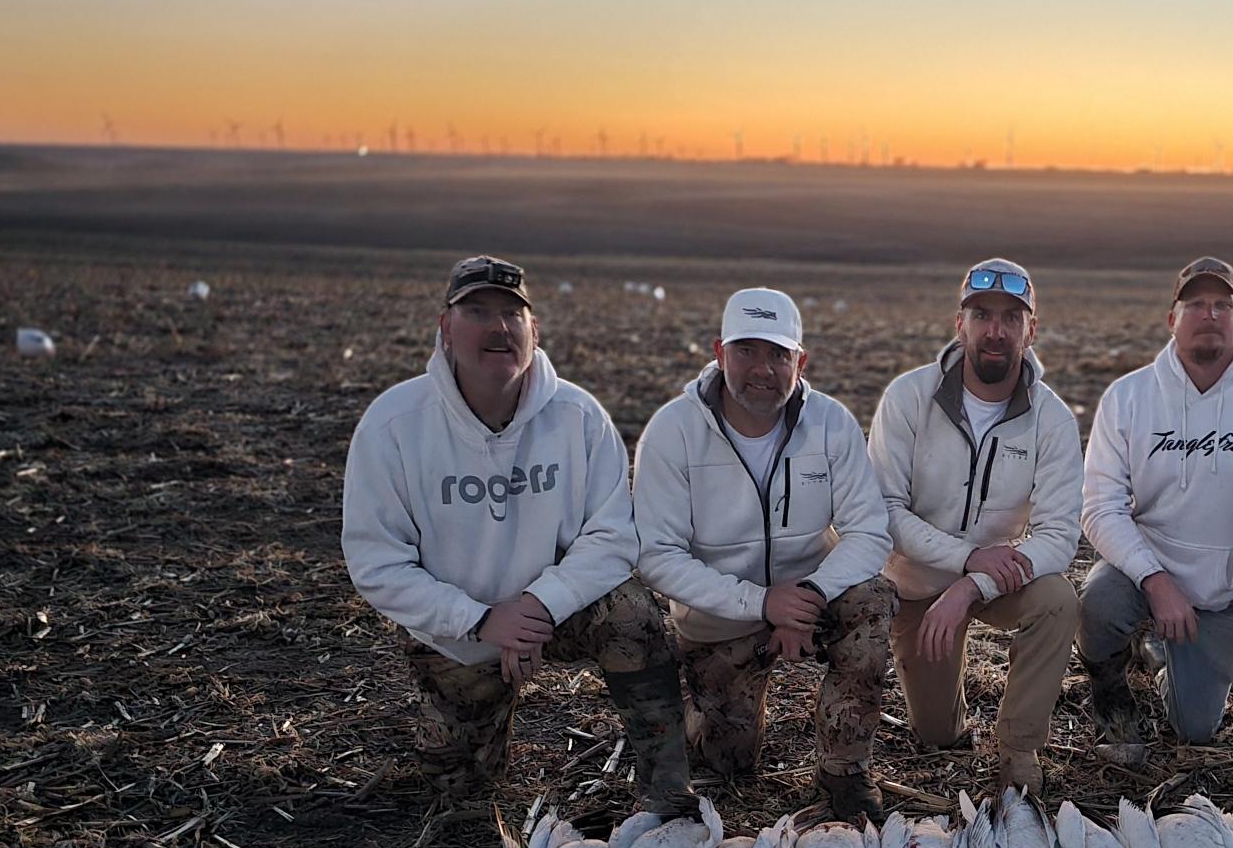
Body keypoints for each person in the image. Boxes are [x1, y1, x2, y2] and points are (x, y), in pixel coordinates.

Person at [342, 255, 693, 813]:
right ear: (445, 329)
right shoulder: (394, 425)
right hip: (460, 626)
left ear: (535, 331)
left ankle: (666, 786)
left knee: (632, 614)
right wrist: (482, 620)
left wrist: (538, 606)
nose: (498, 327)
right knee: (460, 796)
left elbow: (612, 538)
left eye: (512, 313)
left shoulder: (579, 416)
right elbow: (376, 562)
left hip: (555, 610)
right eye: (477, 311)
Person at [633, 287, 895, 819]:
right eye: (747, 350)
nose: (763, 368)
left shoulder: (830, 423)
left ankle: (844, 773)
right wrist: (759, 603)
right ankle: (698, 707)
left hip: (811, 598)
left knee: (873, 597)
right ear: (718, 352)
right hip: (721, 614)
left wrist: (809, 596)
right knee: (728, 763)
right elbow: (657, 555)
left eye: (778, 354)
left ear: (800, 361)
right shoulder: (672, 431)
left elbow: (870, 532)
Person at [1077, 257, 1233, 763]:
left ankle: (1173, 658)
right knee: (1098, 605)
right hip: (1148, 572)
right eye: (1194, 304)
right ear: (1172, 318)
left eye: (1221, 304)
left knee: (1195, 731)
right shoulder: (1129, 398)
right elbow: (1100, 508)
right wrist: (1155, 580)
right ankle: (1113, 696)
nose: (1208, 314)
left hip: (1227, 592)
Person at [868, 258, 1085, 797]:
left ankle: (1017, 748)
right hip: (916, 581)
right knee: (937, 736)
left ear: (1031, 330)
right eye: (982, 314)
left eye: (1012, 318)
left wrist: (973, 582)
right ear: (958, 323)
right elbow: (885, 511)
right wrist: (962, 559)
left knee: (1058, 600)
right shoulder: (908, 398)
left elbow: (1059, 536)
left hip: (994, 578)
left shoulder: (1052, 419)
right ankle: (949, 710)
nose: (996, 330)